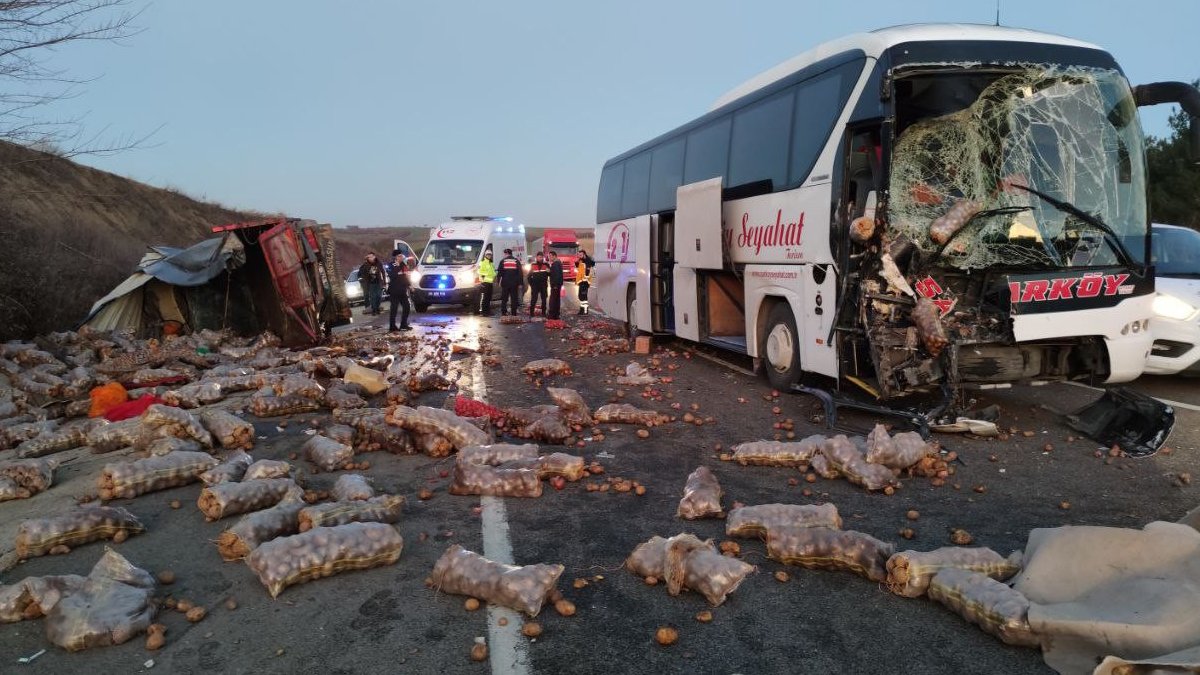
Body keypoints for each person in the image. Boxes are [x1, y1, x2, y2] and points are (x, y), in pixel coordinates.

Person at [387, 250, 413, 331]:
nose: (402, 257)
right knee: (394, 309)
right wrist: (397, 269)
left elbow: (405, 277)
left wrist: (410, 285)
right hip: (394, 290)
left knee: (407, 307)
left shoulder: (403, 265)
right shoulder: (391, 265)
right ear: (396, 257)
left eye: (402, 256)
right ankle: (392, 326)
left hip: (402, 290)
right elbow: (391, 275)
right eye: (400, 256)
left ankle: (403, 324)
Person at [497, 248, 523, 316]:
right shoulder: (516, 261)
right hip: (514, 284)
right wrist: (520, 283)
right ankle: (513, 313)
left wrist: (499, 282)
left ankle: (504, 312)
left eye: (504, 254)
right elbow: (520, 273)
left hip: (505, 283)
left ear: (506, 253)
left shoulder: (503, 261)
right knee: (514, 298)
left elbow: (499, 273)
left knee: (504, 298)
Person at [527, 252, 550, 317]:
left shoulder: (546, 264)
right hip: (535, 285)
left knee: (544, 299)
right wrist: (531, 284)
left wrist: (549, 272)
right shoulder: (533, 265)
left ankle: (543, 313)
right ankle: (532, 313)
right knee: (534, 299)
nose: (540, 258)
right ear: (536, 257)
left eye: (541, 257)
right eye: (539, 257)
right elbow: (529, 276)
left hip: (543, 285)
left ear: (543, 257)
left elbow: (550, 274)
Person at [477, 248, 496, 315]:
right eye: (488, 255)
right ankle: (483, 312)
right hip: (484, 283)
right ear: (485, 255)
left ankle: (487, 311)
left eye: (490, 255)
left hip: (490, 283)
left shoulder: (491, 263)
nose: (489, 256)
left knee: (488, 298)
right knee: (484, 298)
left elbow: (493, 272)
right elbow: (479, 272)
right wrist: (483, 278)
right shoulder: (482, 263)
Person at [575, 248, 594, 314]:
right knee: (580, 296)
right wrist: (577, 261)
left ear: (584, 254)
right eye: (579, 255)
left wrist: (585, 281)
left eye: (580, 255)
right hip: (581, 281)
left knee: (584, 297)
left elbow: (588, 272)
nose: (579, 256)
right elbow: (578, 267)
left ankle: (585, 311)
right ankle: (582, 310)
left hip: (585, 282)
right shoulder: (581, 260)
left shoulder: (588, 261)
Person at [547, 250, 564, 320]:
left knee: (553, 300)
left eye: (550, 256)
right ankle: (556, 314)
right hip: (557, 284)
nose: (549, 258)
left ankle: (552, 315)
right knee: (556, 300)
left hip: (555, 285)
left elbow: (556, 275)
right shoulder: (558, 263)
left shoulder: (556, 264)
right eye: (549, 256)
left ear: (554, 256)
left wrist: (555, 285)